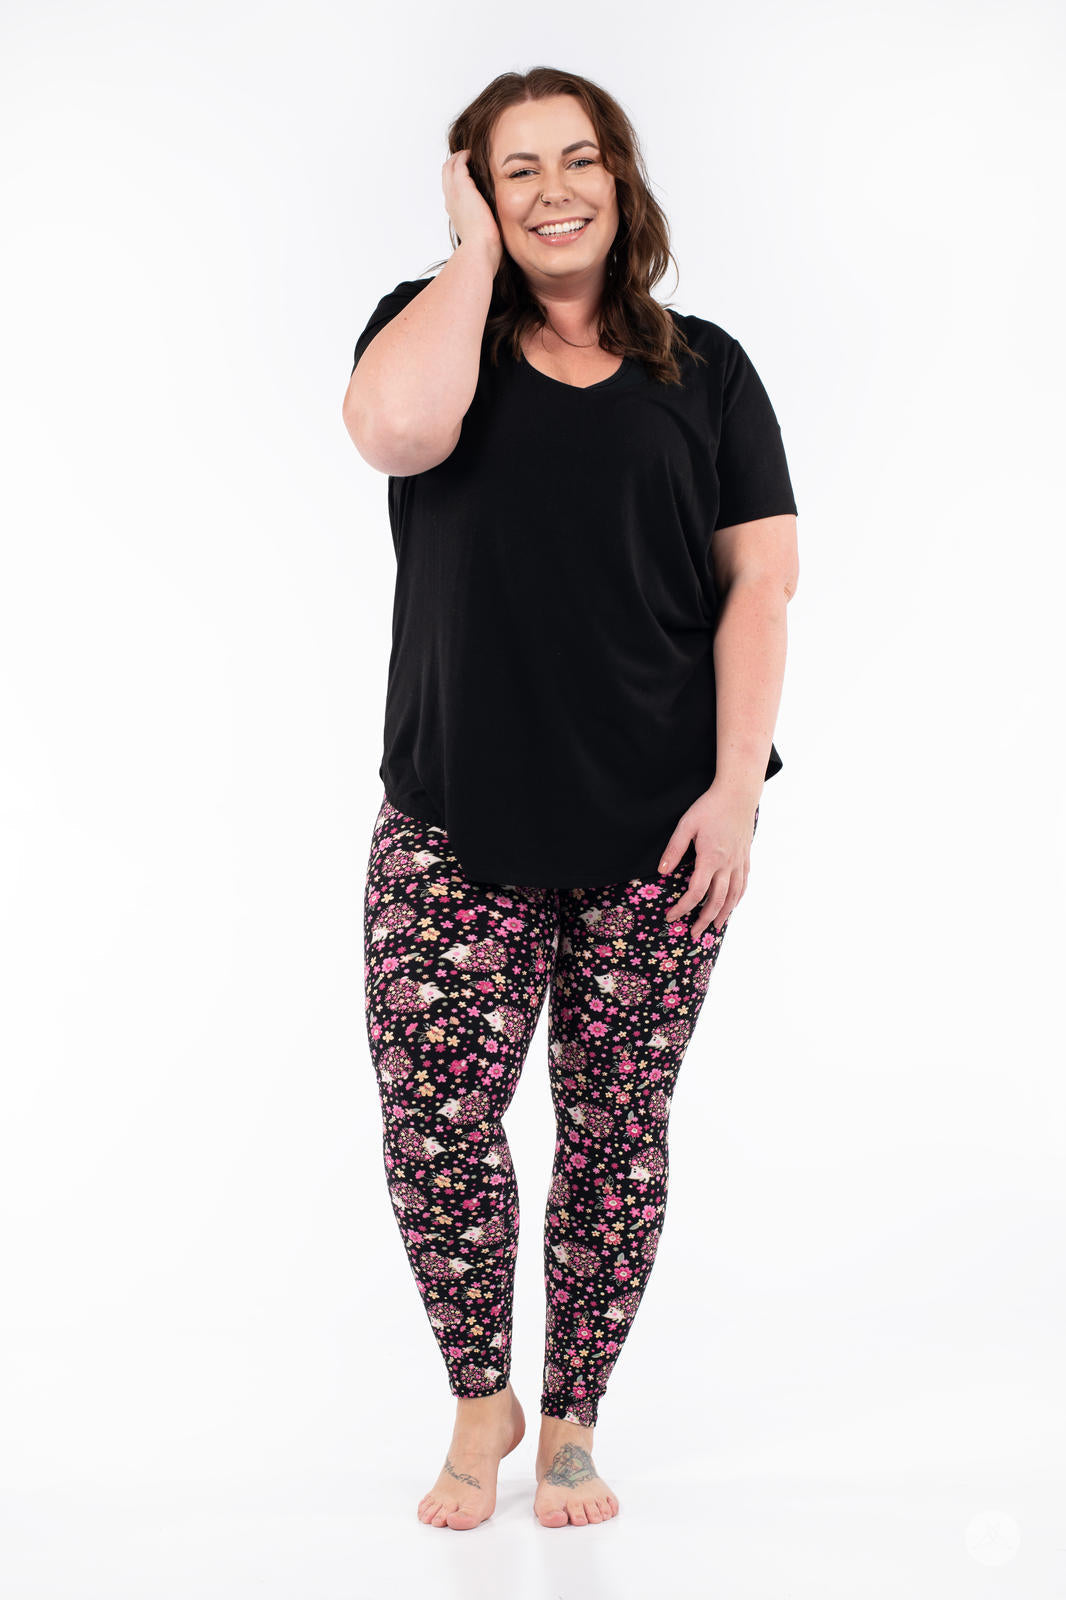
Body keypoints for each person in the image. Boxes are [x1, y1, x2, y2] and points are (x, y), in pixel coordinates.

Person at [342, 67, 799, 1533]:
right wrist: (468, 257)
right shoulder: (429, 333)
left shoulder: (706, 370)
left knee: (614, 1130)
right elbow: (392, 434)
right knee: (437, 1122)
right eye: (516, 167)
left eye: (581, 159)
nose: (556, 190)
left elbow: (760, 583)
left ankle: (572, 1421)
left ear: (621, 178)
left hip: (661, 824)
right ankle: (480, 1399)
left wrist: (734, 793)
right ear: (475, 191)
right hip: (454, 813)